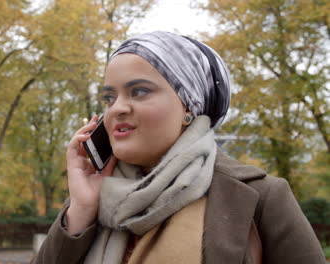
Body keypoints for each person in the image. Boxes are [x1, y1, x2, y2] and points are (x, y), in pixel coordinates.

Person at [31, 31, 325, 264]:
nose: (117, 108)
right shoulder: (95, 202)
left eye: (140, 91)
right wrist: (81, 209)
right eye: (109, 97)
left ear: (189, 106)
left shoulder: (260, 197)